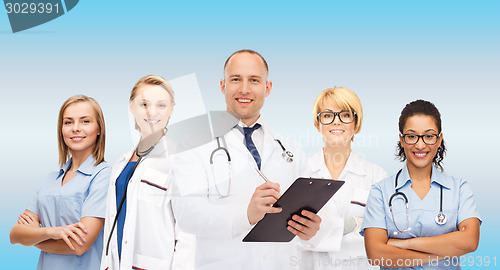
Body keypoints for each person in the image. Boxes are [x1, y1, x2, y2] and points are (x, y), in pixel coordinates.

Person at [171, 49, 322, 270]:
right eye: (235, 79)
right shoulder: (194, 144)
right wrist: (246, 215)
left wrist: (311, 229)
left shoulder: (291, 149)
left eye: (254, 80)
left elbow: (312, 211)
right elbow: (186, 214)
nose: (244, 89)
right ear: (223, 86)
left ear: (267, 88)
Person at [361, 99, 481, 269]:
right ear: (402, 140)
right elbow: (376, 254)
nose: (420, 144)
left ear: (439, 140)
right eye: (411, 136)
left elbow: (470, 241)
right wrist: (444, 252)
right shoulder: (380, 191)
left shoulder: (459, 189)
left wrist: (405, 244)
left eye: (429, 136)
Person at [101, 75, 194, 270]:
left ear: (171, 110)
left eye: (161, 105)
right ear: (131, 106)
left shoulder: (180, 159)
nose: (152, 112)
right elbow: (111, 224)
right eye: (144, 104)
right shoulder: (121, 162)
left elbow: (188, 233)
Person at [9, 95, 111, 270]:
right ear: (61, 129)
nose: (76, 128)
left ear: (99, 129)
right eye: (68, 122)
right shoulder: (50, 180)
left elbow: (79, 245)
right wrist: (51, 232)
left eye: (85, 121)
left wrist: (35, 240)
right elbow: (15, 235)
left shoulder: (103, 175)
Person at [299, 87, 387, 269]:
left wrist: (318, 234)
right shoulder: (300, 173)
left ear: (356, 123)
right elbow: (292, 237)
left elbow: (379, 240)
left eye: (345, 115)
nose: (336, 122)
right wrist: (353, 226)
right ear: (318, 123)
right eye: (327, 115)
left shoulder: (376, 176)